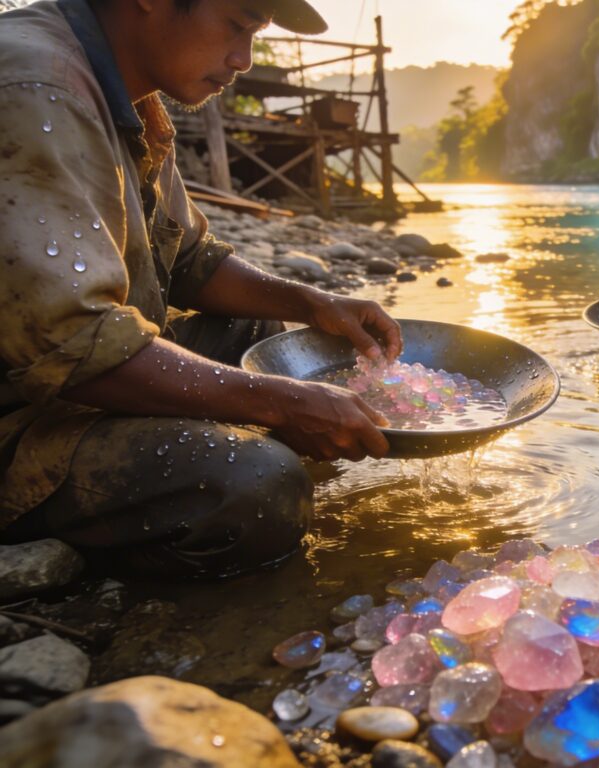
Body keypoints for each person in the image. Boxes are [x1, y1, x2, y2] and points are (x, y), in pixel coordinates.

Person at [0, 0, 403, 578]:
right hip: (19, 414)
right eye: (238, 26)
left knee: (261, 334)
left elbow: (191, 259)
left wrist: (314, 302)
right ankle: (89, 569)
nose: (242, 60)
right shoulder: (37, 85)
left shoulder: (134, 98)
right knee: (261, 485)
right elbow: (78, 345)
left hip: (64, 377)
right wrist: (278, 401)